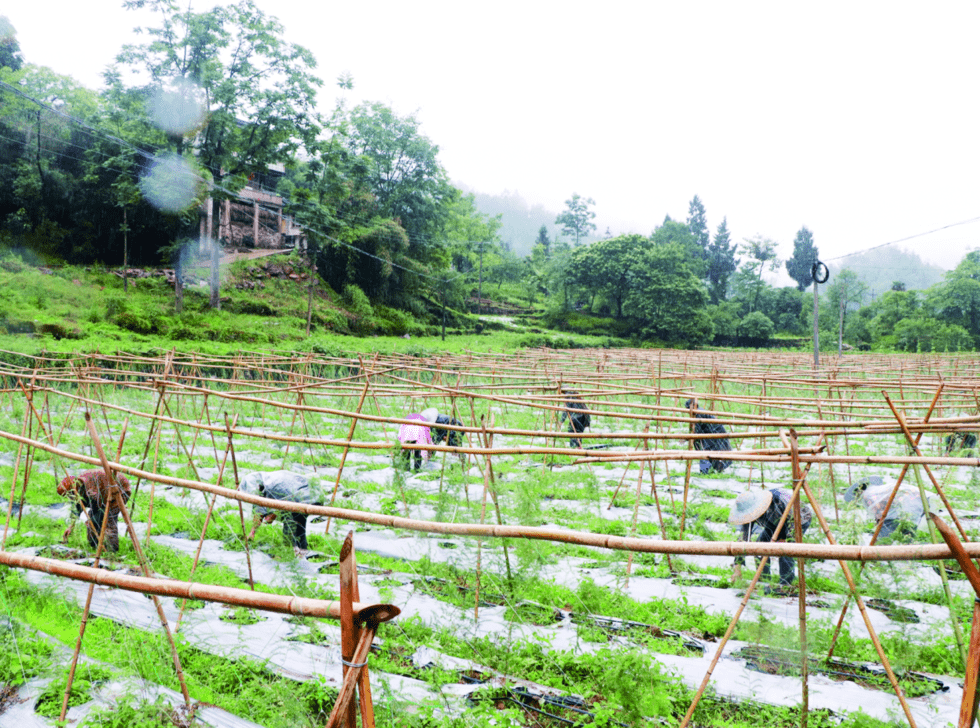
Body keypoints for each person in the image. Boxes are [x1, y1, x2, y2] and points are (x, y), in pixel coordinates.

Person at [728, 488, 812, 588]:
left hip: (798, 519)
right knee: (760, 545)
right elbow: (743, 540)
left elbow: (793, 522)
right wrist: (737, 569)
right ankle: (764, 579)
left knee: (785, 550)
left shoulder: (777, 501)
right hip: (773, 523)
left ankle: (786, 585)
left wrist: (785, 539)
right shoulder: (750, 513)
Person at [241, 470, 324, 555]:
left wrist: (271, 516)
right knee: (299, 525)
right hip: (306, 495)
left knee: (292, 526)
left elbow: (272, 515)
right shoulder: (267, 483)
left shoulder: (273, 486)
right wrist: (252, 531)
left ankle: (292, 554)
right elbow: (259, 510)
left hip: (304, 497)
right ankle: (300, 552)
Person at [58, 469, 132, 552]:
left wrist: (93, 520)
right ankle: (95, 547)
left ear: (72, 489)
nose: (70, 497)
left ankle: (111, 551)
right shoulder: (79, 487)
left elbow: (102, 509)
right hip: (103, 495)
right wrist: (71, 526)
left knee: (108, 520)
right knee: (92, 521)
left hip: (119, 491)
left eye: (69, 494)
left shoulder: (89, 486)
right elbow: (78, 506)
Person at [843, 476, 925, 540]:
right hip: (913, 498)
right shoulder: (875, 490)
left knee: (884, 534)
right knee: (908, 530)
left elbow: (877, 510)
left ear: (859, 491)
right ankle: (908, 552)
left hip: (905, 503)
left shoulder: (866, 495)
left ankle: (879, 553)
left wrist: (878, 521)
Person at [685, 399, 732, 474]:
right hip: (712, 432)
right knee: (711, 450)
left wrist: (686, 438)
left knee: (705, 450)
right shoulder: (698, 412)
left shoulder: (698, 414)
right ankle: (712, 469)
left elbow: (697, 432)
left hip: (715, 432)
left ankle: (705, 471)